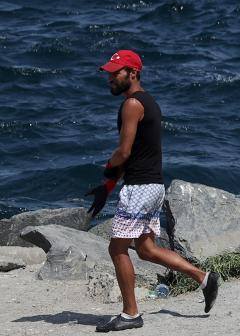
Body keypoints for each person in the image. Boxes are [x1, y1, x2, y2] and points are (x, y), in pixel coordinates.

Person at [86, 50, 219, 332]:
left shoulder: (132, 104)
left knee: (117, 248)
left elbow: (124, 152)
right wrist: (109, 186)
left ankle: (130, 314)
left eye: (116, 73)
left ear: (133, 73)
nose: (110, 78)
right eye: (109, 73)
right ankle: (204, 278)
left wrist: (108, 168)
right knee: (146, 249)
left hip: (140, 188)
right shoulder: (148, 102)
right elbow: (135, 153)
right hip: (153, 185)